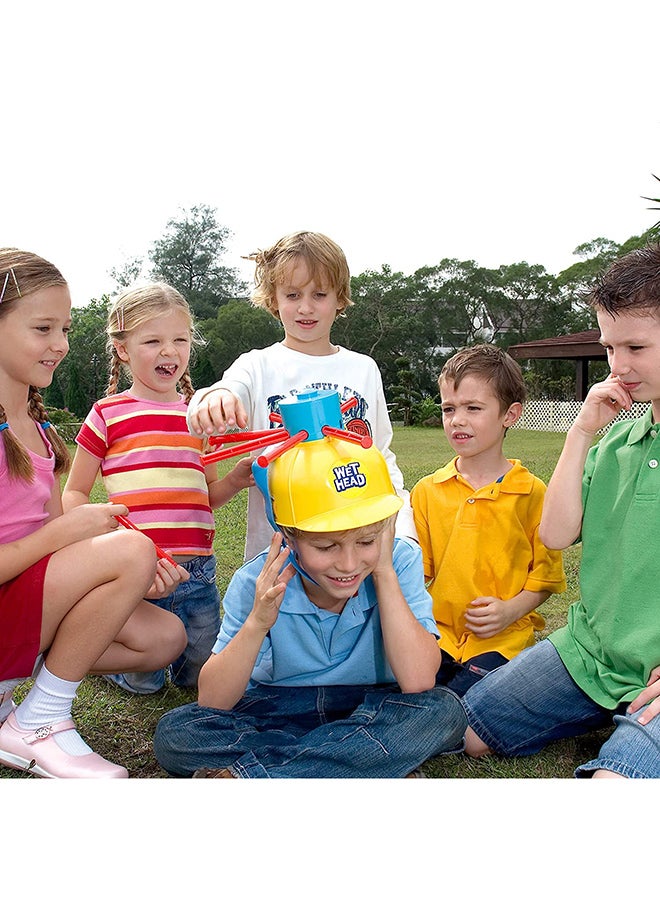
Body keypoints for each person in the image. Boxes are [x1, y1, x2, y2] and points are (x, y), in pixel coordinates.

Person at [153, 390, 466, 778]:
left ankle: (262, 776)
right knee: (177, 733)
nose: (349, 563)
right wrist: (257, 623)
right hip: (278, 708)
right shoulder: (255, 579)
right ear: (287, 534)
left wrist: (384, 574)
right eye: (325, 545)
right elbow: (213, 700)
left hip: (372, 704)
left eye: (367, 541)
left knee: (443, 710)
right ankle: (358, 762)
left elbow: (419, 681)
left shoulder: (397, 562)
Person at [462, 244, 660, 778]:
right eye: (609, 348)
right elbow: (555, 534)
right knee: (474, 734)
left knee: (615, 779)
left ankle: (630, 734)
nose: (617, 368)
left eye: (635, 347)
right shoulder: (616, 439)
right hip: (590, 651)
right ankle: (613, 712)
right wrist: (581, 431)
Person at [0, 249, 187, 778]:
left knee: (164, 637)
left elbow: (53, 550)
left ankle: (10, 699)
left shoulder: (39, 431)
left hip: (18, 607)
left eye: (64, 327)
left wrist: (128, 579)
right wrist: (72, 534)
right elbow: (48, 541)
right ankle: (39, 720)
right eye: (42, 327)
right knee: (131, 546)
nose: (60, 344)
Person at [62, 282, 253, 694]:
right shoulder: (108, 414)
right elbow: (74, 493)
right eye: (153, 341)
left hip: (198, 571)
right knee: (143, 684)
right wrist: (111, 536)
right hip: (139, 573)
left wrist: (237, 479)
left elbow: (208, 496)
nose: (170, 351)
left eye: (179, 340)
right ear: (123, 349)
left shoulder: (197, 417)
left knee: (197, 676)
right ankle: (109, 664)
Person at [186, 230, 416, 560]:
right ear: (273, 299)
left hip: (354, 552)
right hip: (278, 552)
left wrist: (400, 523)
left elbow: (380, 452)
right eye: (292, 295)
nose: (305, 308)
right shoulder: (256, 365)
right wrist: (214, 399)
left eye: (319, 294)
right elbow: (212, 403)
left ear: (339, 298)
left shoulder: (363, 368)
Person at [410, 344, 566, 696]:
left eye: (473, 408)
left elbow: (545, 578)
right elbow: (418, 574)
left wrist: (510, 610)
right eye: (449, 408)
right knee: (415, 691)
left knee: (473, 707)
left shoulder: (532, 493)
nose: (457, 420)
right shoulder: (427, 491)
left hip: (503, 639)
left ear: (509, 415)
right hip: (441, 634)